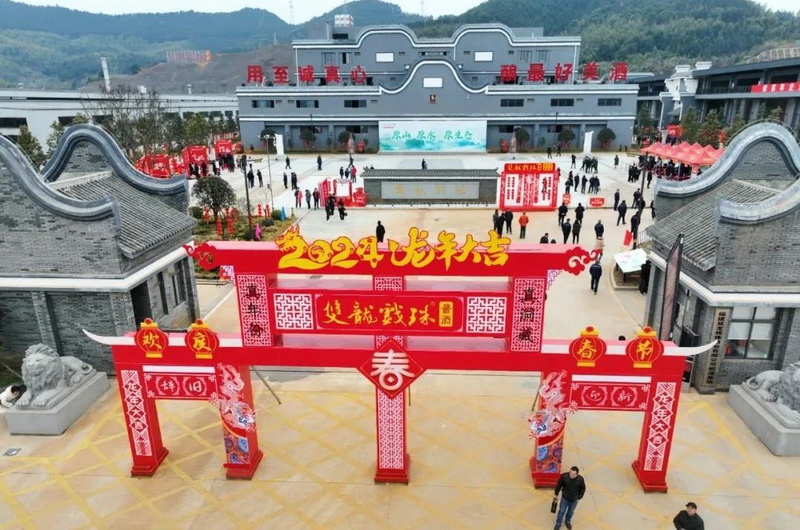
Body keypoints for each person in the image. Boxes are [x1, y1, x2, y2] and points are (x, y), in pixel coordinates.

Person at [553, 466, 586, 530]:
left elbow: (583, 489)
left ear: (577, 474)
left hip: (574, 499)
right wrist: (556, 494)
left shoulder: (580, 479)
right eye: (570, 473)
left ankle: (567, 521)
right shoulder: (564, 476)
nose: (571, 475)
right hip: (565, 498)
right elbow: (559, 485)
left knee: (570, 512)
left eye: (573, 474)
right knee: (561, 511)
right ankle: (558, 523)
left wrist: (579, 497)